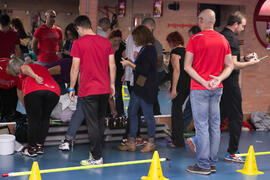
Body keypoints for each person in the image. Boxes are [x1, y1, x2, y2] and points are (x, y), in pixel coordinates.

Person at [184, 9, 234, 175]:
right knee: (214, 126)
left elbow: (187, 66)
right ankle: (211, 162)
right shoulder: (223, 39)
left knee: (202, 126)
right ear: (213, 21)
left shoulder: (194, 39)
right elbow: (230, 66)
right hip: (217, 88)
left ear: (201, 20)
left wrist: (204, 81)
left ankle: (203, 164)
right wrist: (219, 79)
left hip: (200, 89)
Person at [69, 15, 116, 165]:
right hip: (104, 89)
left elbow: (75, 67)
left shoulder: (78, 43)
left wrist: (71, 87)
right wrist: (112, 84)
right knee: (100, 121)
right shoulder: (105, 42)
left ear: (78, 28)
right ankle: (97, 151)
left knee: (92, 124)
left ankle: (96, 157)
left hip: (88, 90)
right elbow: (112, 66)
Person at [220, 11, 260, 163]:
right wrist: (250, 63)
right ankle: (232, 153)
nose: (243, 29)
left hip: (221, 81)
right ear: (235, 24)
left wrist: (245, 58)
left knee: (219, 114)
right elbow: (234, 64)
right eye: (242, 26)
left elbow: (229, 60)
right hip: (230, 82)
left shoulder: (221, 35)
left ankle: (198, 139)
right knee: (236, 117)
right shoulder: (232, 39)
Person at [6, 55, 60, 157]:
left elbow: (24, 68)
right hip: (54, 91)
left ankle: (31, 149)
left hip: (34, 91)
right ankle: (39, 146)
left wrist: (35, 77)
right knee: (45, 118)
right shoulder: (41, 67)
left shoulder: (24, 68)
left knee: (33, 120)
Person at [118, 25, 158, 153]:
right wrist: (132, 61)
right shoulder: (145, 49)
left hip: (146, 88)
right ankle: (131, 141)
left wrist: (130, 63)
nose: (134, 41)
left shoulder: (150, 49)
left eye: (135, 38)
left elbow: (144, 70)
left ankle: (151, 142)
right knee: (132, 112)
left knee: (148, 115)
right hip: (139, 86)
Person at [166, 31, 190, 148]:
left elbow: (176, 70)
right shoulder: (187, 51)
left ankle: (178, 141)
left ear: (172, 41)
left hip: (180, 85)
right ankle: (178, 139)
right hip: (188, 85)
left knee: (176, 112)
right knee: (179, 111)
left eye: (169, 42)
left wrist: (174, 88)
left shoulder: (175, 52)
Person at [142, 18, 162, 115]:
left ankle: (157, 116)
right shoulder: (139, 42)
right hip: (141, 76)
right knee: (139, 96)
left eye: (147, 28)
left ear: (152, 28)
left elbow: (159, 63)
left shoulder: (156, 44)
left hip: (152, 76)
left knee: (152, 98)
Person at [183, 26, 201, 131]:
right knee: (190, 108)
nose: (190, 39)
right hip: (197, 84)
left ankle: (180, 131)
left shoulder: (197, 49)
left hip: (199, 85)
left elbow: (188, 67)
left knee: (190, 108)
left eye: (191, 37)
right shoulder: (194, 47)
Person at [108, 29, 126, 117]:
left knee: (118, 94)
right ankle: (109, 111)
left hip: (118, 73)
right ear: (111, 39)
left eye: (119, 40)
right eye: (115, 40)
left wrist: (125, 74)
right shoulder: (106, 46)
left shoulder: (122, 47)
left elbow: (126, 61)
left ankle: (120, 113)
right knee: (108, 94)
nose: (117, 42)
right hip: (107, 71)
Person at [0, 58, 20, 134]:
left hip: (12, 88)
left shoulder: (19, 73)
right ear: (8, 68)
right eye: (14, 74)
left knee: (11, 108)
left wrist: (26, 106)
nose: (16, 76)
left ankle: (8, 128)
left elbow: (20, 92)